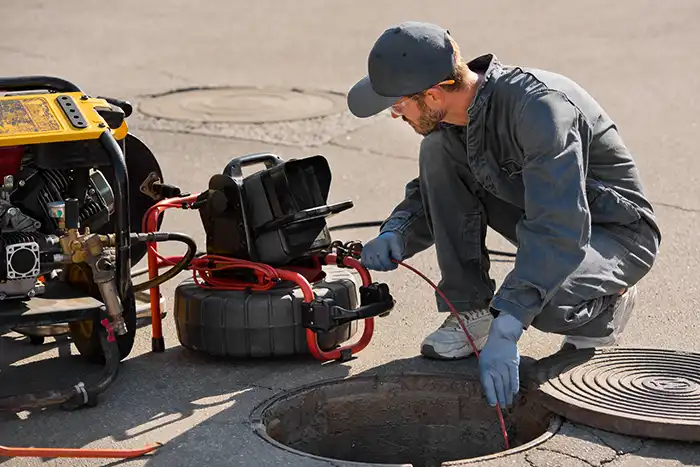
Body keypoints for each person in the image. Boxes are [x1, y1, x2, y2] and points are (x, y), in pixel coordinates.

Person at [347, 21, 661, 409]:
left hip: (616, 233)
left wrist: (509, 327)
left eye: (398, 104)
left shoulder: (541, 110)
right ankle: (471, 313)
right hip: (545, 212)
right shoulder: (459, 113)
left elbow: (558, 228)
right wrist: (397, 232)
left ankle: (608, 302)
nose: (395, 114)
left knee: (539, 303)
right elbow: (441, 189)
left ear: (431, 95)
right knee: (437, 152)